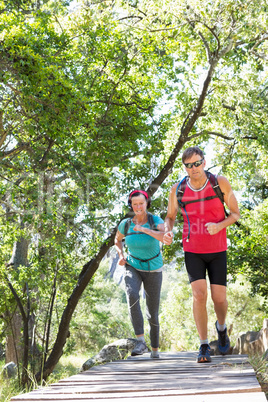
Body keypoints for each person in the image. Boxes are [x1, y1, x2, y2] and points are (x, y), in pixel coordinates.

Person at [163, 146, 240, 363]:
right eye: (189, 165)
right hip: (193, 249)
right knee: (199, 295)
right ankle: (204, 345)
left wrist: (219, 226)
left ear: (204, 162)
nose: (194, 168)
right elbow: (170, 217)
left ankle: (221, 328)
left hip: (217, 250)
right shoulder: (177, 190)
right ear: (185, 167)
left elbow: (235, 213)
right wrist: (168, 230)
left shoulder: (219, 183)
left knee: (219, 299)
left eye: (197, 163)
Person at [114, 190, 165, 358]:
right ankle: (141, 342)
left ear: (147, 203)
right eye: (134, 204)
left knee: (152, 311)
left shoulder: (155, 220)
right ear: (131, 205)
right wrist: (121, 255)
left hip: (153, 269)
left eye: (141, 203)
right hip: (133, 265)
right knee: (132, 295)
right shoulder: (126, 224)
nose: (138, 207)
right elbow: (117, 240)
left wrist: (145, 230)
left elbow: (164, 236)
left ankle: (155, 348)